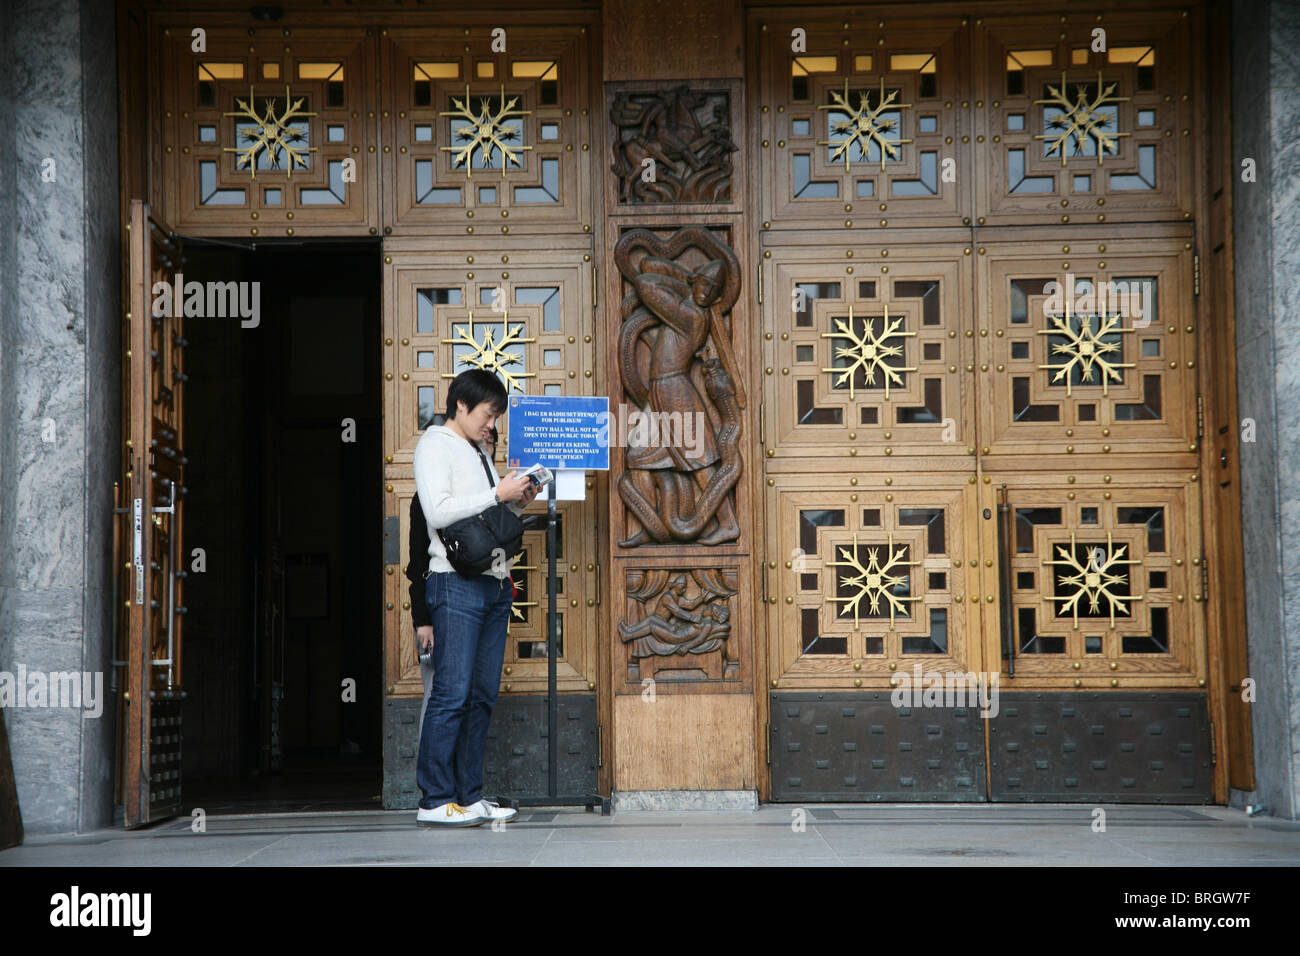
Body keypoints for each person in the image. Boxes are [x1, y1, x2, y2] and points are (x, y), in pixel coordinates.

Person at [414, 372, 537, 827]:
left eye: (497, 416)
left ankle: (469, 796)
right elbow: (438, 511)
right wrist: (495, 491)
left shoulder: (477, 452)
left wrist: (517, 500)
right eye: (488, 414)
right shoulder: (434, 446)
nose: (492, 424)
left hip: (493, 583)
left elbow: (486, 519)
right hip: (455, 584)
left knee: (481, 695)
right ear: (461, 407)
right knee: (452, 692)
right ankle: (434, 799)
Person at [409, 424, 498, 751]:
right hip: (442, 607)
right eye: (480, 443)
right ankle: (435, 791)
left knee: (474, 696)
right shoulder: (429, 499)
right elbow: (418, 564)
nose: (484, 450)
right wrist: (423, 620)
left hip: (480, 601)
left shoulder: (489, 499)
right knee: (444, 696)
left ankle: (465, 792)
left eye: (491, 444)